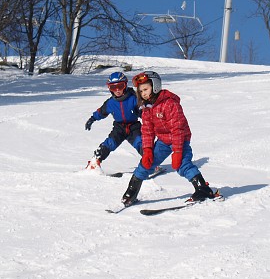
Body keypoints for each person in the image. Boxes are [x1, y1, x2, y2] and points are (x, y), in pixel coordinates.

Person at [120, 70, 216, 206]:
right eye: (141, 91)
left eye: (146, 89)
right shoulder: (146, 108)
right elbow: (147, 131)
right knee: (146, 163)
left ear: (155, 86)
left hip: (180, 139)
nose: (143, 93)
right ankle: (132, 192)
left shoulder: (170, 104)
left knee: (182, 164)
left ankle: (203, 189)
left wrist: (177, 151)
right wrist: (147, 150)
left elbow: (178, 129)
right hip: (163, 141)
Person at [85, 72, 142, 169]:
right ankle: (94, 163)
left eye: (120, 86)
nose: (117, 90)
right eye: (113, 88)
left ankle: (151, 164)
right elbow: (101, 111)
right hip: (119, 128)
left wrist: (153, 121)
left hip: (134, 127)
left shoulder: (134, 98)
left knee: (141, 143)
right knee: (109, 143)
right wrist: (92, 119)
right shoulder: (110, 102)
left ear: (125, 85)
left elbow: (143, 111)